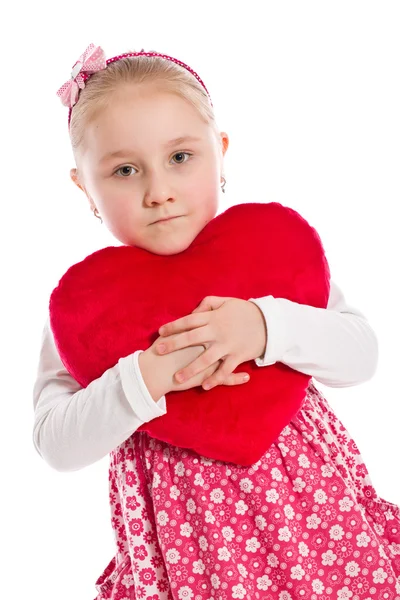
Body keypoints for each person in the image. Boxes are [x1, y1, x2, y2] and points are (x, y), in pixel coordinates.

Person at [32, 44, 400, 600]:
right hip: (188, 556)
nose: (159, 193)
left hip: (315, 528)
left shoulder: (270, 258)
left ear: (220, 153)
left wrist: (264, 325)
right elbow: (54, 442)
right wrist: (146, 376)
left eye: (181, 157)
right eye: (125, 170)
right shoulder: (85, 308)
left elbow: (361, 354)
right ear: (85, 187)